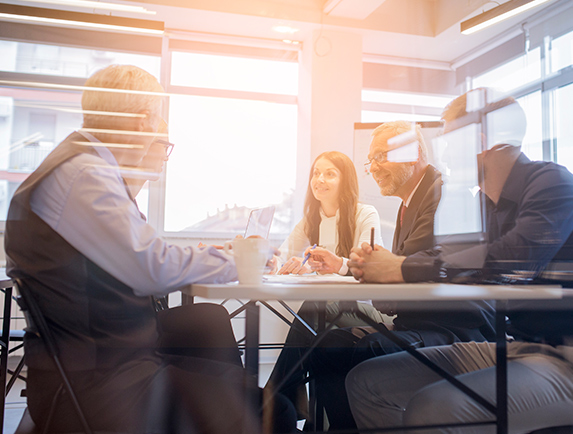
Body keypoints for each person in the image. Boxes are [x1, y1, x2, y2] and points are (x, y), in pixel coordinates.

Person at [4, 64, 295, 434]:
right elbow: (151, 268)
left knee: (215, 345)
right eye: (156, 123)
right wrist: (236, 260)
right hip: (107, 384)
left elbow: (139, 254)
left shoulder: (79, 166)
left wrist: (215, 256)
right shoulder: (85, 174)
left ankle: (228, 404)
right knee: (275, 411)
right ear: (143, 121)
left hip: (97, 366)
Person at [346, 88, 573, 433]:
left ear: (478, 140)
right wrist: (390, 265)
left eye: (451, 139)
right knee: (367, 382)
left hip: (565, 356)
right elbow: (450, 255)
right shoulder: (487, 206)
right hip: (518, 347)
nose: (445, 151)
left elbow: (511, 260)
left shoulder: (553, 184)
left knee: (432, 409)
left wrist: (402, 267)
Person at [305, 121, 495, 431]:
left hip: (454, 327)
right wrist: (378, 272)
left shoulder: (441, 195)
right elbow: (397, 280)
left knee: (367, 350)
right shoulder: (408, 203)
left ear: (414, 154)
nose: (373, 168)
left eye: (381, 156)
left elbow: (410, 274)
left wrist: (379, 271)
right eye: (371, 160)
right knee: (326, 349)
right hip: (418, 320)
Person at [266, 151, 384, 419]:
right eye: (316, 173)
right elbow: (284, 255)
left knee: (312, 308)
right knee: (316, 318)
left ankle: (278, 397)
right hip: (329, 312)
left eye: (330, 173)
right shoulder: (312, 218)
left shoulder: (365, 213)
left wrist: (339, 264)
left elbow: (374, 266)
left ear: (346, 181)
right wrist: (277, 262)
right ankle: (296, 408)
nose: (320, 179)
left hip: (366, 311)